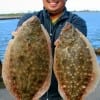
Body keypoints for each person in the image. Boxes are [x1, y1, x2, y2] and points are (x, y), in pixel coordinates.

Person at [15, 0, 87, 99]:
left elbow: (79, 54)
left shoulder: (76, 22)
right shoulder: (28, 19)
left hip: (62, 95)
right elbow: (16, 52)